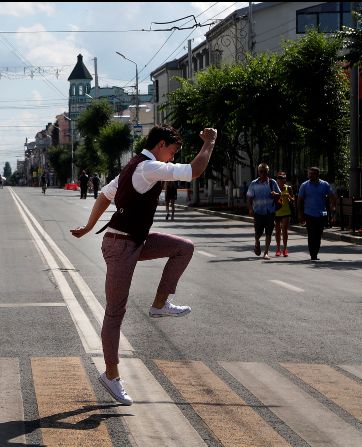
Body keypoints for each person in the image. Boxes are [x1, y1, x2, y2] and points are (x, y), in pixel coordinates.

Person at [70, 125, 217, 406]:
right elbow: (194, 171)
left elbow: (104, 195)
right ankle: (111, 376)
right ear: (161, 145)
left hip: (135, 241)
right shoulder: (148, 166)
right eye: (172, 152)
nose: (172, 159)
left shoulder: (133, 166)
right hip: (120, 245)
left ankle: (160, 304)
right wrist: (209, 141)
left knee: (183, 247)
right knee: (115, 313)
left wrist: (89, 227)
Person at [298, 166, 337, 261]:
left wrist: (333, 207)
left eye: (312, 174)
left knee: (318, 234)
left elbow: (332, 196)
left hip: (321, 213)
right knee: (311, 234)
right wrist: (300, 214)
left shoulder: (324, 185)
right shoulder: (304, 185)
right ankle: (313, 254)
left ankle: (315, 251)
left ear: (317, 175)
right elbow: (300, 200)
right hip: (309, 213)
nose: (310, 175)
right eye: (309, 174)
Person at [246, 163, 280, 260]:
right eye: (261, 171)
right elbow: (249, 197)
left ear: (268, 172)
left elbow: (279, 194)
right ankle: (257, 242)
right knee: (258, 232)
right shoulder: (254, 183)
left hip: (270, 211)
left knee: (269, 232)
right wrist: (250, 209)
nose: (263, 173)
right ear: (258, 172)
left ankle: (266, 252)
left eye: (265, 171)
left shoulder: (272, 182)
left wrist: (275, 193)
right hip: (258, 212)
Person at [273, 172, 295, 257]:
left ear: (285, 179)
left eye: (283, 178)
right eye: (279, 178)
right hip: (277, 211)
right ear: (277, 180)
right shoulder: (274, 188)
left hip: (286, 211)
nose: (281, 180)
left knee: (284, 230)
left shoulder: (288, 188)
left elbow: (293, 199)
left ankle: (285, 249)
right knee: (277, 231)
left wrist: (289, 196)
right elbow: (271, 197)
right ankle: (278, 249)